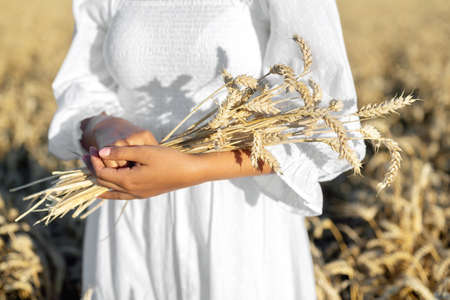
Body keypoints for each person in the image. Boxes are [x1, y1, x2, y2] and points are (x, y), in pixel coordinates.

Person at [48, 0, 365, 299]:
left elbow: (325, 122)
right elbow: (83, 84)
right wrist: (101, 128)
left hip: (239, 223)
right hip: (127, 219)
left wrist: (196, 168)